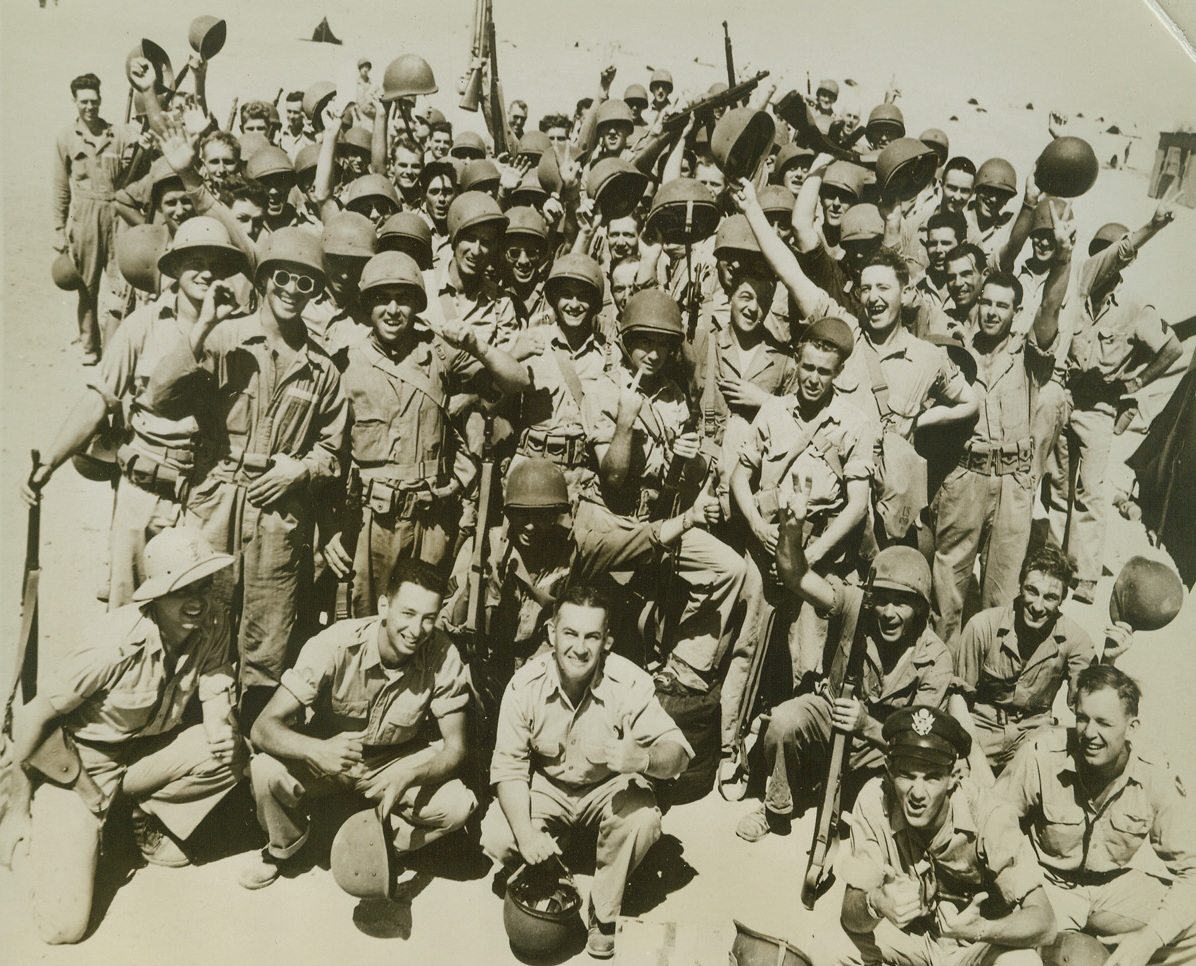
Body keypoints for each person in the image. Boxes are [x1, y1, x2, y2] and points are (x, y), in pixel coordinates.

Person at [143, 227, 348, 724]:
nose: (291, 292)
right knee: (195, 621)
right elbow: (161, 396)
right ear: (262, 280)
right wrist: (203, 327)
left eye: (306, 284)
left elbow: (332, 451)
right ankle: (182, 738)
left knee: (267, 639)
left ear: (317, 292)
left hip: (279, 517)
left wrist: (298, 470)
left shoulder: (323, 369)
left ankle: (254, 755)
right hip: (214, 501)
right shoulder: (226, 339)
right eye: (282, 277)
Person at [11, 528, 244, 944]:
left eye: (203, 585)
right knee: (64, 927)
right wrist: (18, 809)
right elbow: (32, 720)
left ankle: (135, 820)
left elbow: (215, 677)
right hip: (79, 765)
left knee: (230, 752)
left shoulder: (212, 620)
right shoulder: (113, 644)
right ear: (156, 595)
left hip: (141, 755)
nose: (197, 600)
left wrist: (218, 722)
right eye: (181, 590)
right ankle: (37, 840)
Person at [22, 218, 250, 608]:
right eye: (195, 261)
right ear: (174, 268)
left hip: (204, 497)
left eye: (216, 264)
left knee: (199, 618)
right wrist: (50, 462)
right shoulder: (141, 327)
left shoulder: (238, 334)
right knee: (129, 618)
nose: (206, 272)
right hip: (144, 491)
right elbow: (99, 400)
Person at [480, 584, 693, 959]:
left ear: (606, 641)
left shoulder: (627, 683)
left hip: (606, 790)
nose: (580, 648)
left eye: (592, 636)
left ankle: (603, 909)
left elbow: (679, 755)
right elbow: (509, 768)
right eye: (570, 633)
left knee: (643, 819)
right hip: (551, 786)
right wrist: (527, 833)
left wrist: (642, 759)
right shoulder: (524, 687)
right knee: (499, 832)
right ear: (551, 633)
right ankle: (547, 865)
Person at [240, 559, 477, 889]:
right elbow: (263, 726)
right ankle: (285, 848)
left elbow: (456, 747)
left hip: (393, 764)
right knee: (265, 770)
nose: (416, 630)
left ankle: (375, 847)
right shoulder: (335, 643)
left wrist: (410, 775)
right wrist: (316, 750)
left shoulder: (443, 655)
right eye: (407, 614)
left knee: (457, 806)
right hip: (330, 760)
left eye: (429, 619)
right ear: (384, 606)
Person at [735, 493, 952, 843]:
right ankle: (776, 805)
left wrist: (867, 724)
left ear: (922, 609)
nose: (889, 613)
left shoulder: (936, 659)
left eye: (902, 603)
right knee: (783, 721)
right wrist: (791, 530)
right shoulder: (856, 605)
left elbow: (918, 744)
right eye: (881, 599)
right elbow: (796, 577)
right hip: (831, 715)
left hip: (885, 747)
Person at [324, 251, 529, 614]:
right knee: (364, 621)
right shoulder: (345, 362)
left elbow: (517, 381)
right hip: (371, 521)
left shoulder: (440, 353)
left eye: (403, 300)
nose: (392, 310)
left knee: (424, 620)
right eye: (382, 299)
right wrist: (330, 528)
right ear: (367, 305)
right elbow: (330, 452)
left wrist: (477, 346)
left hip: (430, 520)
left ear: (417, 305)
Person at [930, 218, 1073, 645]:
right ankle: (939, 676)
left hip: (1013, 482)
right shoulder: (954, 347)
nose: (992, 312)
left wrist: (1064, 259)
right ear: (978, 302)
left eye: (1003, 306)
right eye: (987, 303)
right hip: (964, 477)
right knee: (948, 588)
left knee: (1002, 590)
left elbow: (1049, 308)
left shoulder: (1029, 355)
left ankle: (982, 677)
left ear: (1014, 312)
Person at [995, 665, 1196, 966]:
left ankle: (1121, 954)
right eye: (1082, 719)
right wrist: (1020, 888)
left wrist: (1149, 939)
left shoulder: (1155, 774)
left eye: (1104, 723)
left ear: (1132, 728)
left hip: (1113, 889)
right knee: (1012, 957)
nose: (1089, 733)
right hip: (1049, 885)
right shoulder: (1041, 754)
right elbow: (993, 824)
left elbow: (1192, 869)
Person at [841, 706, 1057, 966]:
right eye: (906, 775)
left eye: (932, 778)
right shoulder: (875, 800)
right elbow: (850, 912)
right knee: (829, 944)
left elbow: (1045, 922)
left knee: (1022, 963)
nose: (917, 793)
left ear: (953, 777)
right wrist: (876, 903)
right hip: (911, 939)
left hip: (975, 947)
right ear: (888, 769)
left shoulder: (990, 814)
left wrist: (982, 929)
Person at [1046, 201, 1183, 603]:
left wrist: (1136, 381)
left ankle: (1085, 573)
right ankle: (1054, 563)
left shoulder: (1134, 306)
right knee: (1056, 486)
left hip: (1100, 406)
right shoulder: (1077, 291)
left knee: (1090, 490)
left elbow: (1172, 348)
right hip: (1066, 396)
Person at [949, 547, 1110, 777]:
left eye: (1050, 597)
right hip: (980, 728)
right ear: (1020, 587)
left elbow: (1088, 702)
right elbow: (957, 699)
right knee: (953, 773)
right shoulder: (983, 626)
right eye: (1032, 591)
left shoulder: (1075, 640)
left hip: (1034, 733)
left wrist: (1110, 658)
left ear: (1062, 599)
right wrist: (976, 759)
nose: (1037, 606)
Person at [54, 73, 133, 364]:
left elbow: (141, 151)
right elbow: (61, 188)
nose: (90, 106)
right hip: (84, 218)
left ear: (101, 99)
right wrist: (58, 230)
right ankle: (89, 346)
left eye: (94, 100)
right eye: (83, 101)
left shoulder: (119, 134)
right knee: (87, 286)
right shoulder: (66, 138)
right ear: (74, 101)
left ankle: (114, 347)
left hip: (117, 215)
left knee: (119, 285)